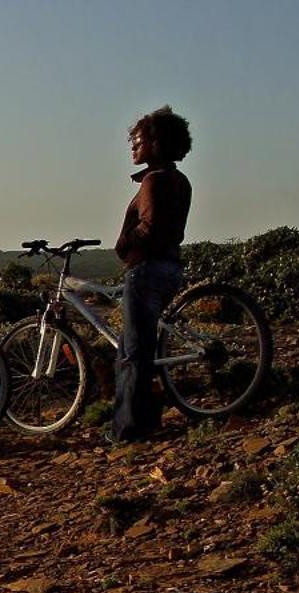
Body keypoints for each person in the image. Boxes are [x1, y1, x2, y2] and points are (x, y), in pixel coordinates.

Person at [111, 105, 193, 442]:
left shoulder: (153, 182)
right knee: (142, 349)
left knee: (133, 353)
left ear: (156, 143)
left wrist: (125, 244)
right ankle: (147, 420)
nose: (133, 144)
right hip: (171, 266)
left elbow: (150, 227)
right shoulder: (179, 179)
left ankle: (127, 430)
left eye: (139, 139)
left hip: (146, 269)